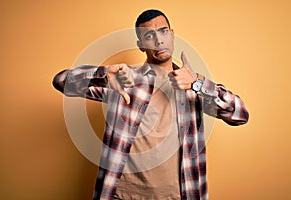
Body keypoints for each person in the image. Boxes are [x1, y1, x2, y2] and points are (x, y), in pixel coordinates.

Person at [53, 9, 249, 200]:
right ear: (140, 44)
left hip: (179, 195)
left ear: (172, 35)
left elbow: (240, 115)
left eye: (163, 31)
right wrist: (103, 74)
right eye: (149, 35)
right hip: (122, 195)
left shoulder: (193, 86)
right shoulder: (123, 81)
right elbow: (61, 81)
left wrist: (197, 83)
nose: (158, 40)